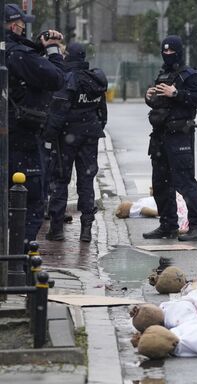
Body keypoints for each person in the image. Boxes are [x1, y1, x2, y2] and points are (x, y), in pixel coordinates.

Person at [5, 3, 65, 248]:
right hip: (24, 138)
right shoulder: (18, 55)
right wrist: (52, 51)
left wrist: (36, 46)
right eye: (21, 24)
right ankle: (19, 264)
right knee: (31, 202)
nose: (23, 28)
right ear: (11, 24)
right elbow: (57, 78)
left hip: (9, 136)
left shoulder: (13, 52)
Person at [143, 35, 197, 241]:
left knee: (185, 182)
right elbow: (160, 105)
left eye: (172, 52)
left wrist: (177, 93)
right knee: (161, 183)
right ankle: (168, 225)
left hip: (180, 136)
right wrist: (150, 97)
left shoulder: (190, 75)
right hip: (160, 136)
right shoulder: (163, 74)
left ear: (179, 52)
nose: (168, 55)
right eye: (165, 51)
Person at [44, 43, 108, 242]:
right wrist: (93, 128)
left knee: (60, 180)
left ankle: (56, 229)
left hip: (67, 137)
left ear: (69, 56)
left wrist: (48, 137)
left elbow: (58, 112)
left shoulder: (67, 79)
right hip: (90, 136)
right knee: (86, 181)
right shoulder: (94, 80)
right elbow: (102, 113)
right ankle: (86, 229)